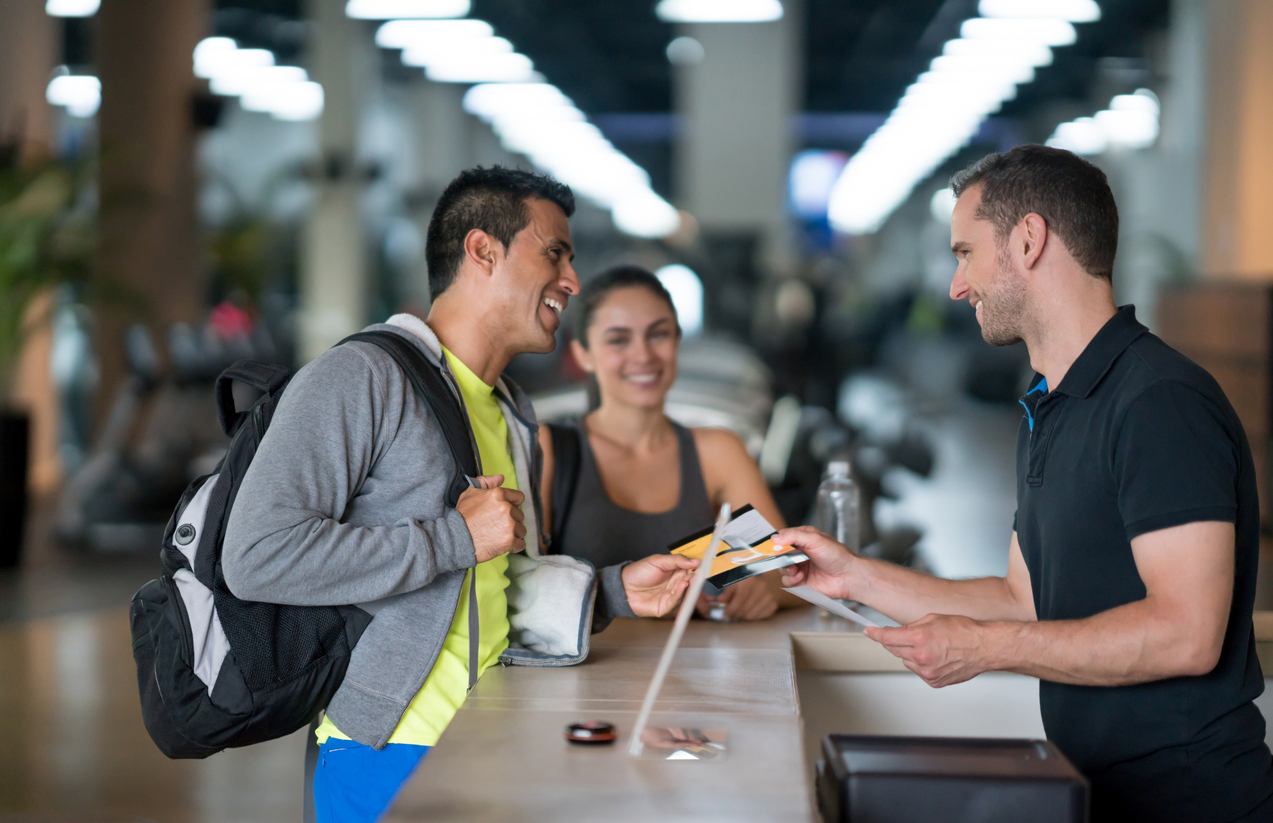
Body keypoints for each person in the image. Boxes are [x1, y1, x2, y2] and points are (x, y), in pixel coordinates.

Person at [775, 145, 1273, 822]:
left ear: (1029, 239)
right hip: (1094, 790)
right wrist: (852, 576)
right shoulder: (1050, 406)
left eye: (964, 253)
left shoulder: (1157, 402)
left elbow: (1186, 632)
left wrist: (980, 649)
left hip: (1189, 802)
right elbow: (1022, 600)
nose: (956, 285)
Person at [222, 167, 699, 823]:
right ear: (481, 250)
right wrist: (453, 537)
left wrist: (615, 590)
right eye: (554, 252)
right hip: (386, 752)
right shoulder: (360, 377)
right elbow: (254, 555)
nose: (572, 281)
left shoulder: (510, 409)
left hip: (494, 736)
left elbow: (493, 588)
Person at [538, 265, 801, 621]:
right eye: (618, 339)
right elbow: (520, 587)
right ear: (583, 353)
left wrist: (759, 590)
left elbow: (788, 574)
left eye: (658, 335)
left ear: (677, 343)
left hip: (697, 672)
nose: (643, 355)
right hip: (582, 673)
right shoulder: (549, 448)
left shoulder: (717, 452)